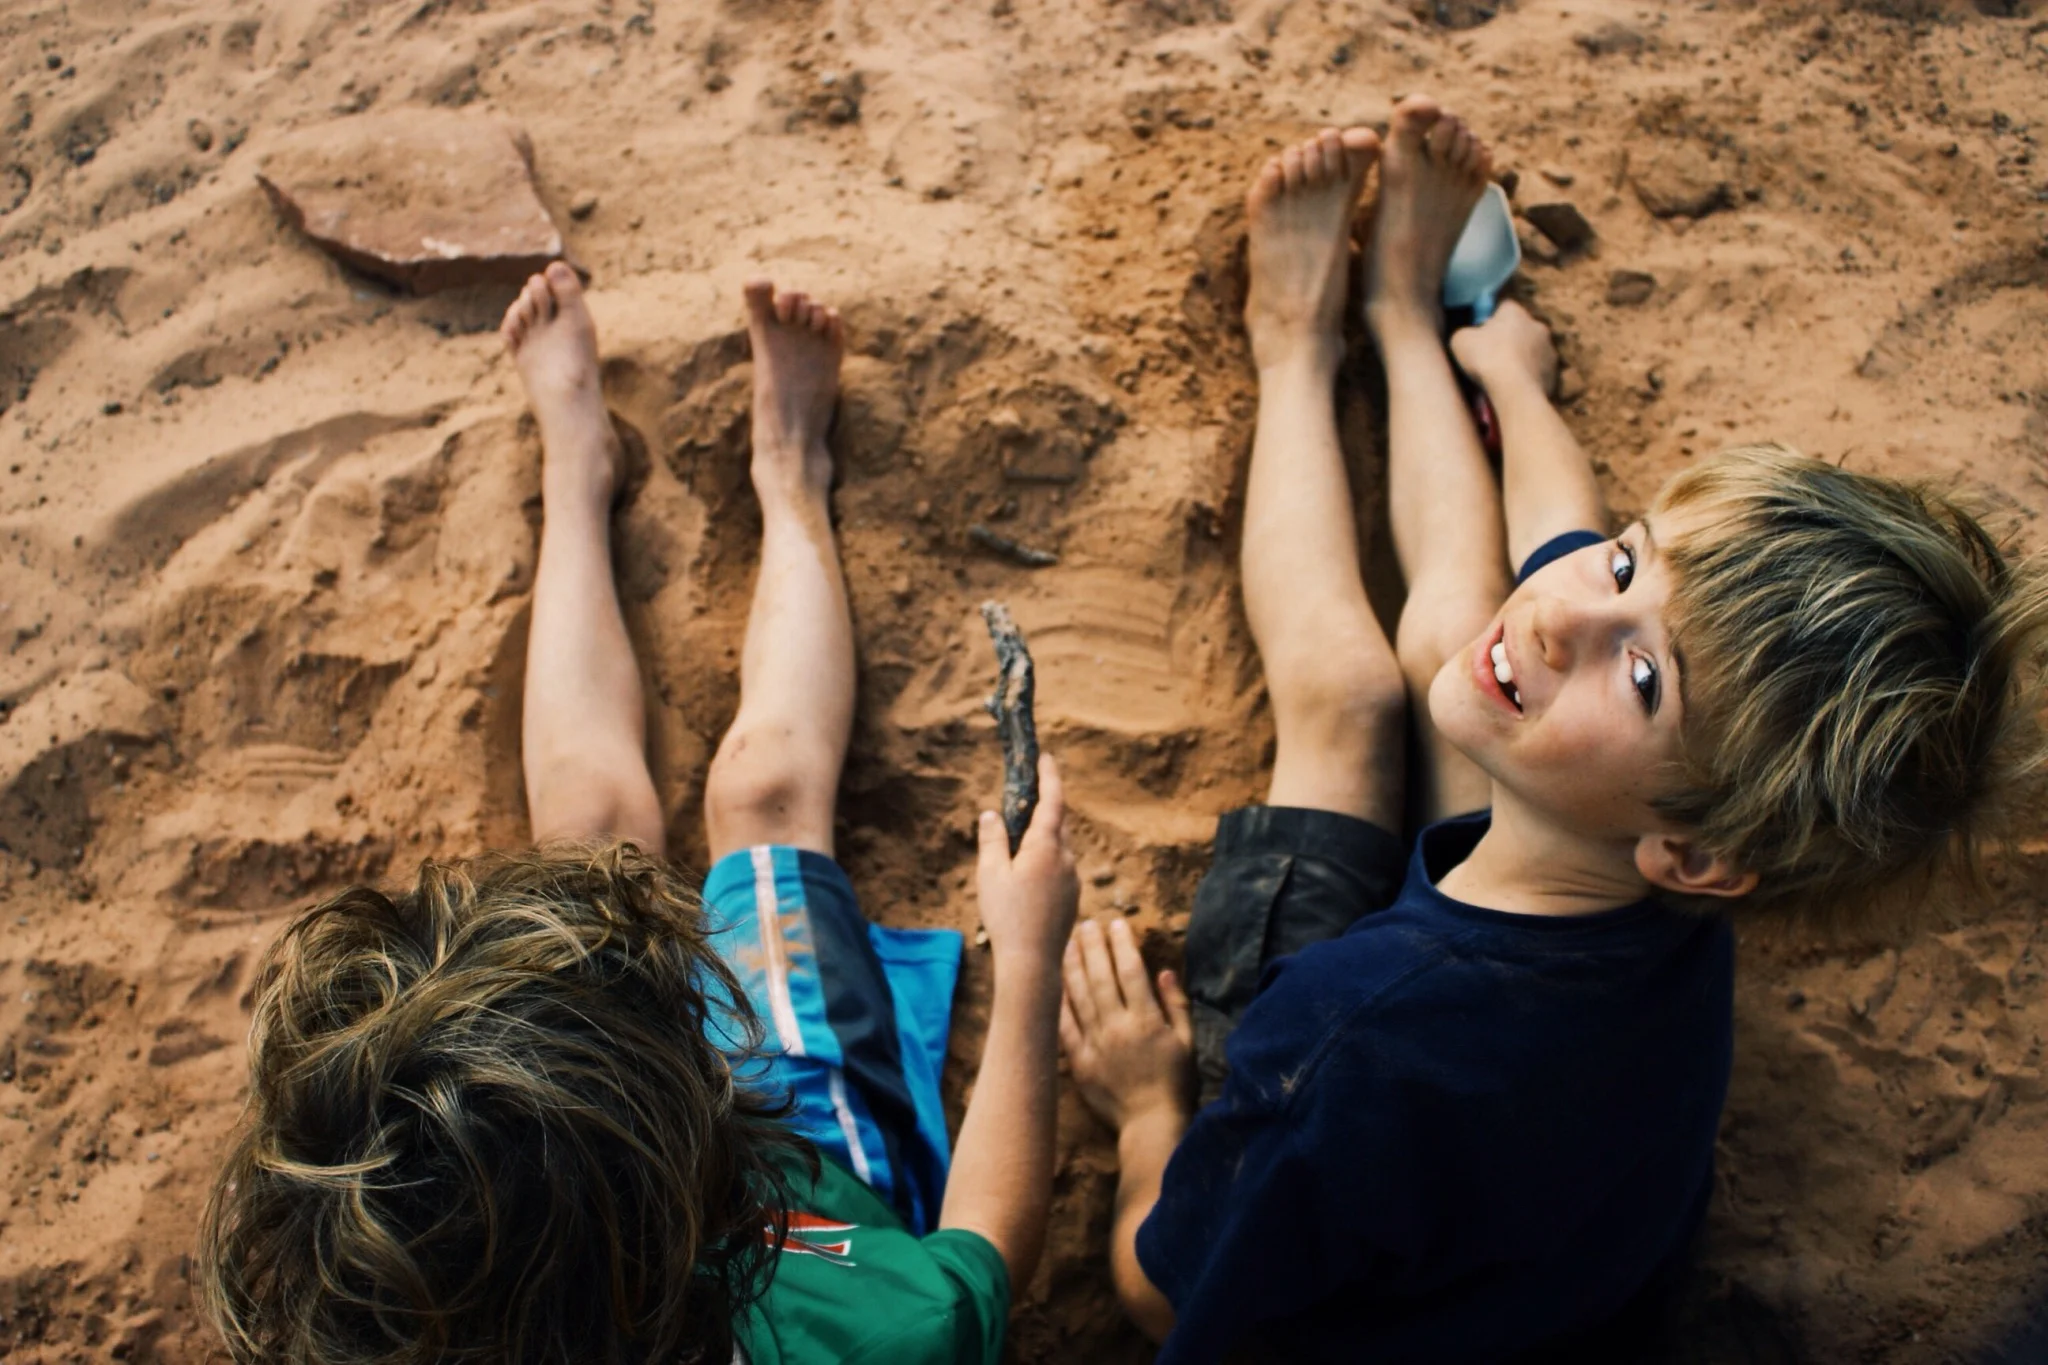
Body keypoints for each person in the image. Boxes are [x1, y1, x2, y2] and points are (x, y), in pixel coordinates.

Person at [1059, 96, 2048, 1362]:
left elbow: (1165, 1298)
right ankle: (1400, 324)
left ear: (1694, 853)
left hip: (1381, 1088)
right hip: (1513, 1069)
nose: (1570, 610)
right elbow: (1567, 541)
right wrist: (1508, 383)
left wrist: (1150, 1111)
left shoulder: (1350, 1035)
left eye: (1641, 679)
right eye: (1634, 563)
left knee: (1348, 696)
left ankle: (1293, 346)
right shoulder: (1684, 882)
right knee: (1453, 640)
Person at [198, 263, 1080, 1365]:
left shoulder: (430, 1288)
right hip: (817, 1180)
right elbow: (985, 1252)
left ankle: (577, 472)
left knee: (583, 835)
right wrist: (1034, 959)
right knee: (762, 792)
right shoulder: (878, 1334)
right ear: (705, 1184)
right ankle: (791, 473)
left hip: (620, 1177)